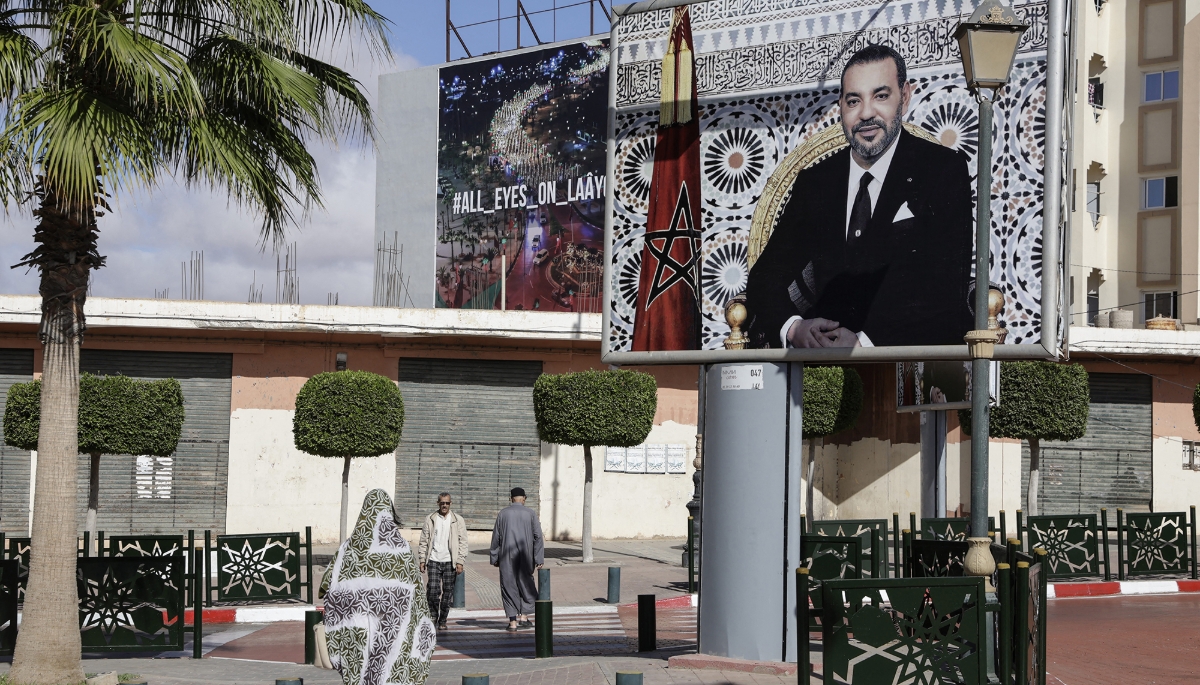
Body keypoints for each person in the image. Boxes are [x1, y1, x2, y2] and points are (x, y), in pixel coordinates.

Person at [746, 44, 974, 349]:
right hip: (823, 367)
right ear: (840, 105)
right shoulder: (816, 183)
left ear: (904, 96)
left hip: (906, 362)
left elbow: (944, 286)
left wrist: (864, 343)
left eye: (881, 96)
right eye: (854, 100)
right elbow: (765, 276)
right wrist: (794, 328)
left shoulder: (942, 171)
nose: (866, 113)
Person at [321, 488, 436, 685]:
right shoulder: (403, 549)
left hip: (355, 632)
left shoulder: (346, 549)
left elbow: (327, 586)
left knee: (360, 676)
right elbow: (416, 594)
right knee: (390, 673)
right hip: (394, 632)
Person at [489, 487, 544, 632]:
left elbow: (496, 537)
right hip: (526, 556)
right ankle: (524, 617)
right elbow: (538, 536)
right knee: (526, 585)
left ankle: (512, 623)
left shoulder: (503, 514)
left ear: (511, 498)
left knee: (508, 586)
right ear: (524, 498)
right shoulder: (531, 513)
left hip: (506, 556)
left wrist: (494, 557)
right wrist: (539, 558)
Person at [418, 492, 468, 631]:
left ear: (450, 504)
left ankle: (443, 619)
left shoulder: (458, 520)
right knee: (433, 590)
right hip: (433, 559)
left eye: (447, 503)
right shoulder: (430, 519)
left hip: (449, 561)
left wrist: (460, 561)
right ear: (438, 503)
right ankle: (433, 615)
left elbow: (463, 542)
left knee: (448, 593)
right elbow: (424, 540)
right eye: (442, 503)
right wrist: (422, 559)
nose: (444, 505)